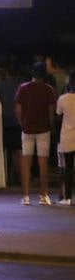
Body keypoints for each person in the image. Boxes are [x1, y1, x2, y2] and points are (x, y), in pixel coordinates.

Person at [15, 61, 57, 206]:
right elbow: (51, 112)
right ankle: (44, 196)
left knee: (26, 162)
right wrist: (51, 126)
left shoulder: (23, 88)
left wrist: (22, 124)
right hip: (43, 129)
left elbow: (18, 109)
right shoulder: (48, 89)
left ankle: (26, 196)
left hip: (27, 129)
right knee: (43, 163)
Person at [57, 74, 75, 206]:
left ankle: (67, 197)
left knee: (68, 168)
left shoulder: (63, 99)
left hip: (67, 136)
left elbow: (58, 115)